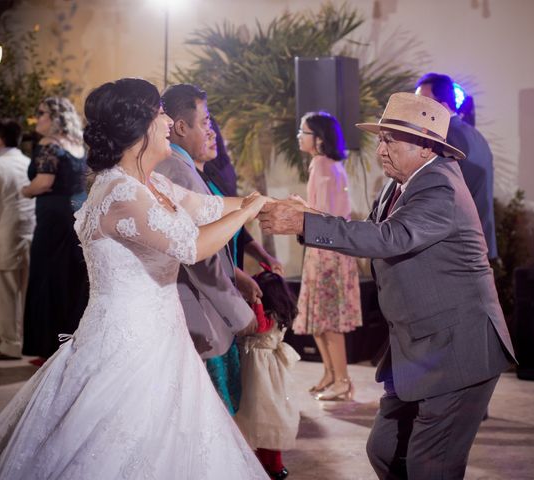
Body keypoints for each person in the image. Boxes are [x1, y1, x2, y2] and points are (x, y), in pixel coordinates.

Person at [0, 78, 270, 479]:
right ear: (139, 126)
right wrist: (247, 212)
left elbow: (209, 206)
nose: (169, 121)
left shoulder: (151, 183)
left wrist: (269, 205)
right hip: (126, 346)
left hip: (164, 337)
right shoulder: (120, 193)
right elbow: (191, 246)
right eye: (160, 113)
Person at [259, 93, 516, 479]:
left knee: (431, 466)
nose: (380, 148)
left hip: (457, 352)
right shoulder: (399, 183)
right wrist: (311, 215)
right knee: (384, 450)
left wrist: (303, 225)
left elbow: (392, 238)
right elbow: (378, 232)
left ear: (427, 147)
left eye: (390, 140)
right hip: (419, 348)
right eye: (380, 138)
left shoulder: (440, 186)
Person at [155, 83, 256, 362]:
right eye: (205, 121)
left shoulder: (185, 168)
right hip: (194, 308)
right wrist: (238, 312)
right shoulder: (176, 170)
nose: (211, 131)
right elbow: (198, 255)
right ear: (180, 127)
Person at [196, 113, 283, 414]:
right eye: (204, 127)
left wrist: (261, 256)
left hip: (227, 274)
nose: (212, 136)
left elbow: (237, 227)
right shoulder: (187, 176)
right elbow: (197, 244)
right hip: (214, 283)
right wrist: (240, 276)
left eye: (212, 129)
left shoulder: (217, 173)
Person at [291, 111, 362, 401]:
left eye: (303, 132)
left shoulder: (321, 165)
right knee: (319, 318)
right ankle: (330, 374)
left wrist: (296, 210)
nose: (299, 136)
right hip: (327, 249)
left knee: (328, 320)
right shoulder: (330, 165)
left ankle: (342, 379)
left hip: (326, 252)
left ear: (318, 140)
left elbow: (322, 213)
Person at [21, 96, 89, 364]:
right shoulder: (77, 146)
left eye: (41, 113)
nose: (37, 118)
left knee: (47, 276)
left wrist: (24, 190)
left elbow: (43, 182)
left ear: (55, 119)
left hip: (52, 218)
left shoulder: (49, 145)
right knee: (71, 277)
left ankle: (47, 345)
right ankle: (68, 341)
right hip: (75, 212)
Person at [415, 73, 498, 260]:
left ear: (443, 106)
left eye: (423, 103)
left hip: (457, 244)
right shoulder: (476, 136)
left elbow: (437, 193)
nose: (417, 109)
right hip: (479, 239)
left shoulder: (444, 138)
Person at [235, 268, 300, 480]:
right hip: (263, 367)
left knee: (262, 413)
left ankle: (271, 463)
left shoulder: (269, 316)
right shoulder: (280, 312)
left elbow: (259, 326)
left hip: (260, 369)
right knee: (259, 414)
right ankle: (264, 461)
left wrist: (256, 301)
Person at [0, 120, 35, 360]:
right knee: (24, 295)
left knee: (4, 297)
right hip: (29, 235)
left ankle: (10, 345)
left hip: (1, 239)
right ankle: (24, 341)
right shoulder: (29, 163)